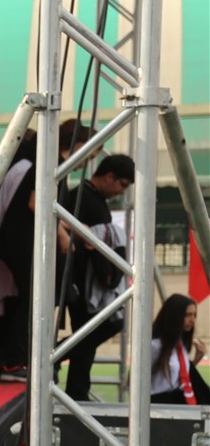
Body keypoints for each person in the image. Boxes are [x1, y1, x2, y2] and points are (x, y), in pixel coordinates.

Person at [58, 154, 133, 399]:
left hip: (87, 281)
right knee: (97, 329)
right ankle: (55, 357)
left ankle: (77, 390)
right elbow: (64, 225)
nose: (121, 191)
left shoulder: (90, 197)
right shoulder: (83, 197)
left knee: (87, 338)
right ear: (109, 177)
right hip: (83, 281)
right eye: (122, 184)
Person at [151, 294, 210, 405]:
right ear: (174, 316)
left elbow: (179, 377)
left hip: (176, 401)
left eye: (194, 315)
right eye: (188, 315)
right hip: (158, 403)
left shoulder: (179, 344)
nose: (192, 320)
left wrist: (196, 359)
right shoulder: (155, 345)